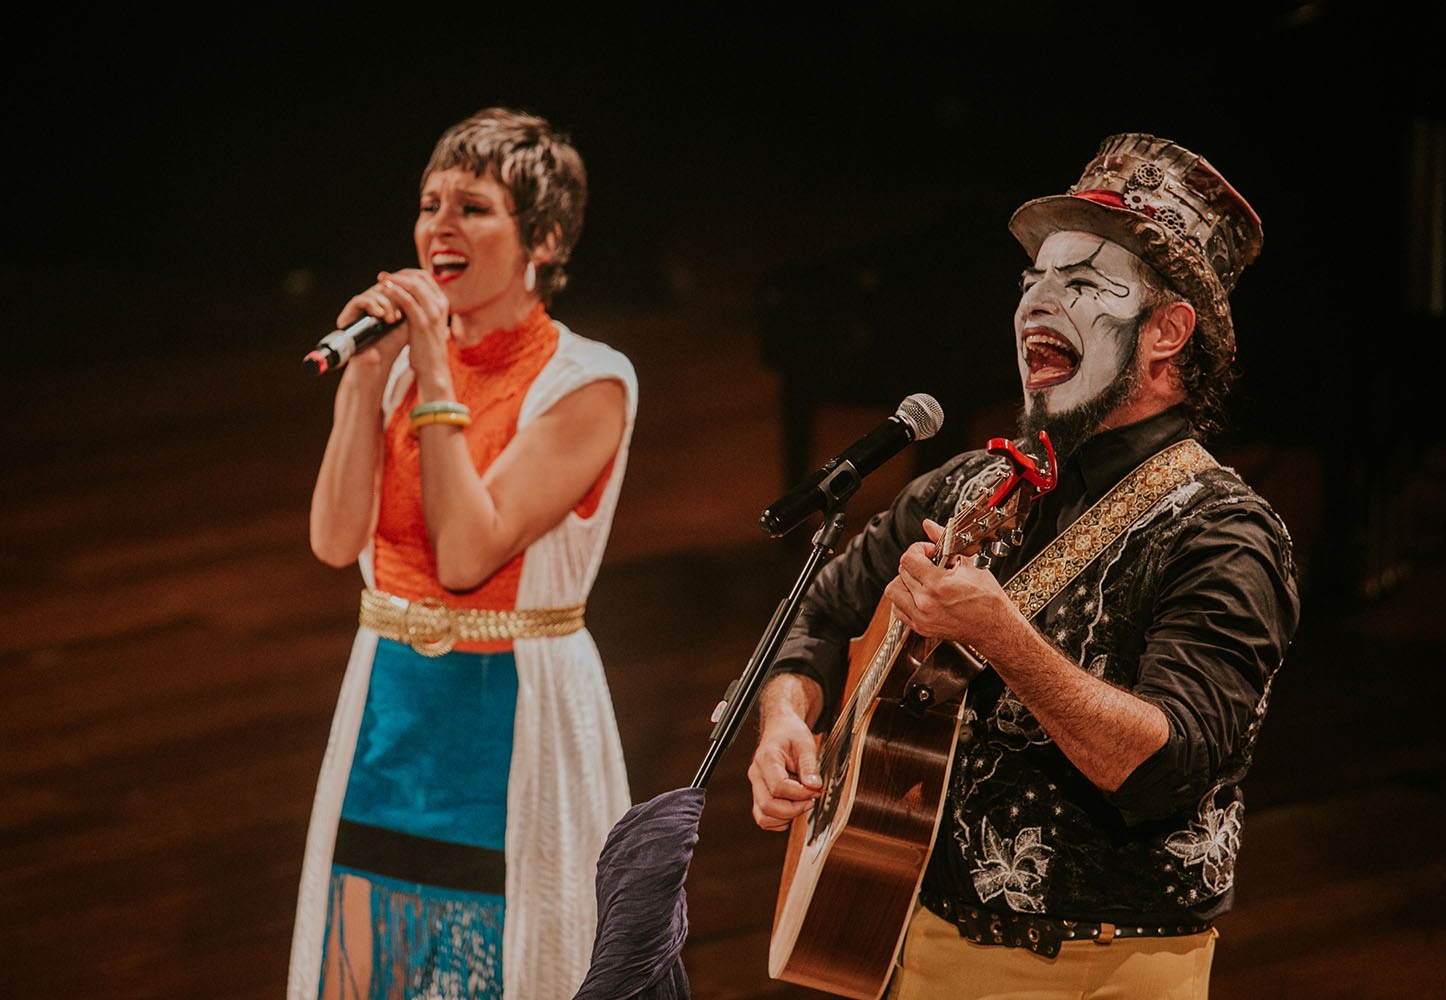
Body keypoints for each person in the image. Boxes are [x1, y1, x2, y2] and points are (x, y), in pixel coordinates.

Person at [748, 133, 1300, 999]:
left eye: (1081, 284)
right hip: (902, 938)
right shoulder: (971, 481)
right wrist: (788, 716)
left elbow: (1168, 769)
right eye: (1032, 281)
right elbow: (817, 617)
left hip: (1094, 969)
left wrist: (1001, 635)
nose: (1037, 304)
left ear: (1167, 330)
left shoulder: (1223, 534)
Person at [287, 106, 637, 1000]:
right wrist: (368, 378)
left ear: (544, 238)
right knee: (365, 960)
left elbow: (468, 555)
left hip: (512, 710)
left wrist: (435, 373)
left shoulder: (588, 381)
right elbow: (333, 541)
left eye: (472, 207)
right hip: (393, 705)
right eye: (428, 202)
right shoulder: (400, 367)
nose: (438, 226)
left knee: (509, 960)